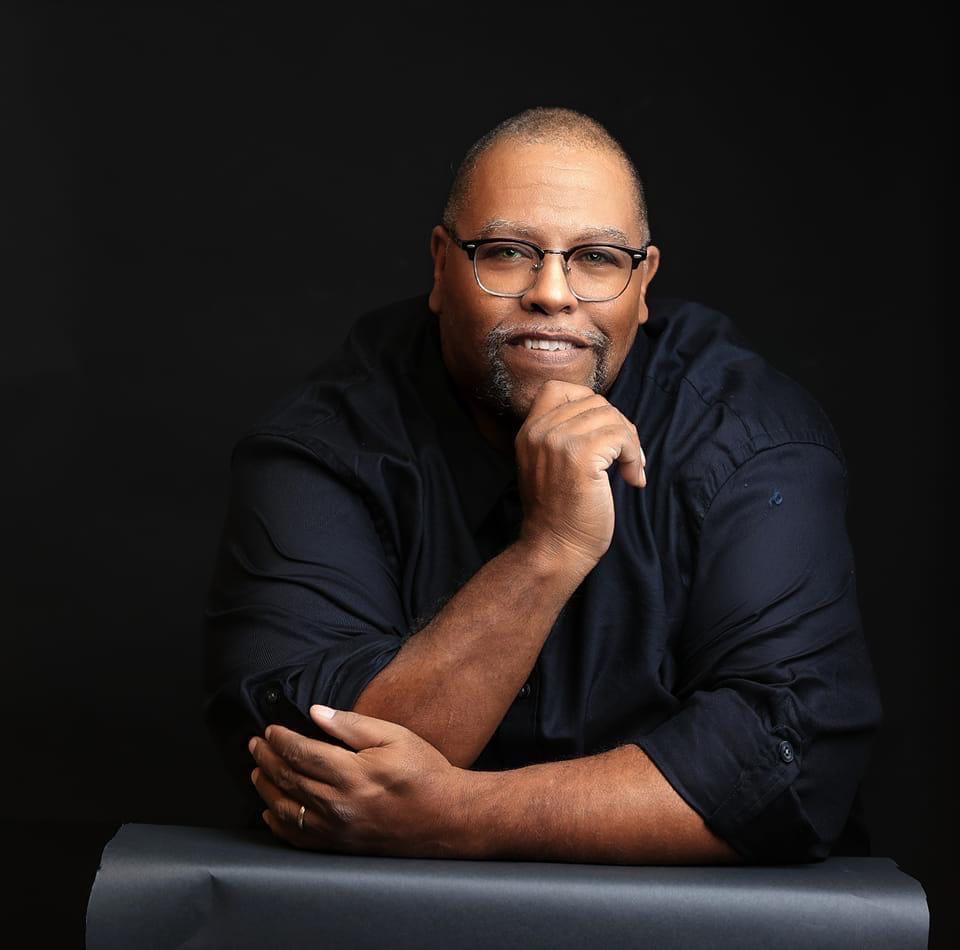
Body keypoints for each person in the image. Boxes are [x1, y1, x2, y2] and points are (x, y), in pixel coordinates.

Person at [202, 106, 883, 865]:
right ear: (441, 267)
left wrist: (460, 816)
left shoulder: (747, 437)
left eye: (596, 258)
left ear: (643, 283)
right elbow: (324, 767)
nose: (553, 293)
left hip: (693, 921)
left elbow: (790, 761)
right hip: (374, 920)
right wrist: (550, 549)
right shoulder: (327, 443)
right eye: (507, 252)